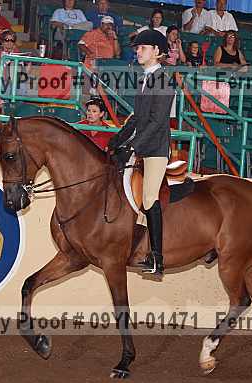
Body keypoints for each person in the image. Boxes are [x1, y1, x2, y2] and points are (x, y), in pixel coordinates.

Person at [108, 30, 174, 277]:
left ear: (157, 51)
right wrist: (118, 139)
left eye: (143, 48)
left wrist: (134, 147)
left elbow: (157, 121)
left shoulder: (164, 81)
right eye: (137, 48)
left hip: (155, 148)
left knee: (148, 197)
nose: (138, 51)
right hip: (141, 144)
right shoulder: (144, 79)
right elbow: (137, 118)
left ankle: (157, 258)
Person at [0, 30, 21, 112]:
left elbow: (24, 71)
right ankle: (4, 105)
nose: (9, 42)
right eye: (7, 40)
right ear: (2, 42)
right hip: (0, 79)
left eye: (12, 40)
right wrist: (2, 58)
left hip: (15, 80)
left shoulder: (17, 52)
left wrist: (28, 62)